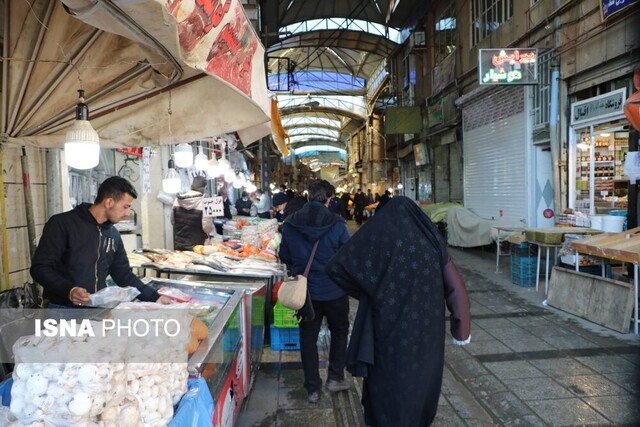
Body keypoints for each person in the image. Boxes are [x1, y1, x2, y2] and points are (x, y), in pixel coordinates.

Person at [325, 196, 471, 427]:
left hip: (387, 333)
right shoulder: (432, 241)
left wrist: (368, 292)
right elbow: (456, 288)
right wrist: (461, 330)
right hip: (426, 334)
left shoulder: (378, 238)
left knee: (387, 386)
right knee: (421, 386)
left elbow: (336, 267)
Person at [30, 176, 171, 307]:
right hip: (62, 309)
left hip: (97, 309)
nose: (128, 213)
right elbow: (40, 268)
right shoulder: (62, 224)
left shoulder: (112, 234)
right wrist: (69, 290)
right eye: (125, 206)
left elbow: (123, 274)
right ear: (109, 202)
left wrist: (155, 297)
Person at [279, 180, 351, 404]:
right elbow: (347, 257)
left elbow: (285, 257)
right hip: (335, 290)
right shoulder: (338, 224)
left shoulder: (290, 224)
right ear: (329, 199)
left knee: (308, 338)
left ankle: (312, 388)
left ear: (308, 197)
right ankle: (335, 377)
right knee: (339, 332)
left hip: (305, 293)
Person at [170, 175, 213, 251]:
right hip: (196, 246)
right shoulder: (205, 203)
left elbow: (172, 221)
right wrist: (211, 218)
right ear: (203, 188)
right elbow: (207, 229)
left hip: (179, 243)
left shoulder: (177, 200)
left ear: (191, 186)